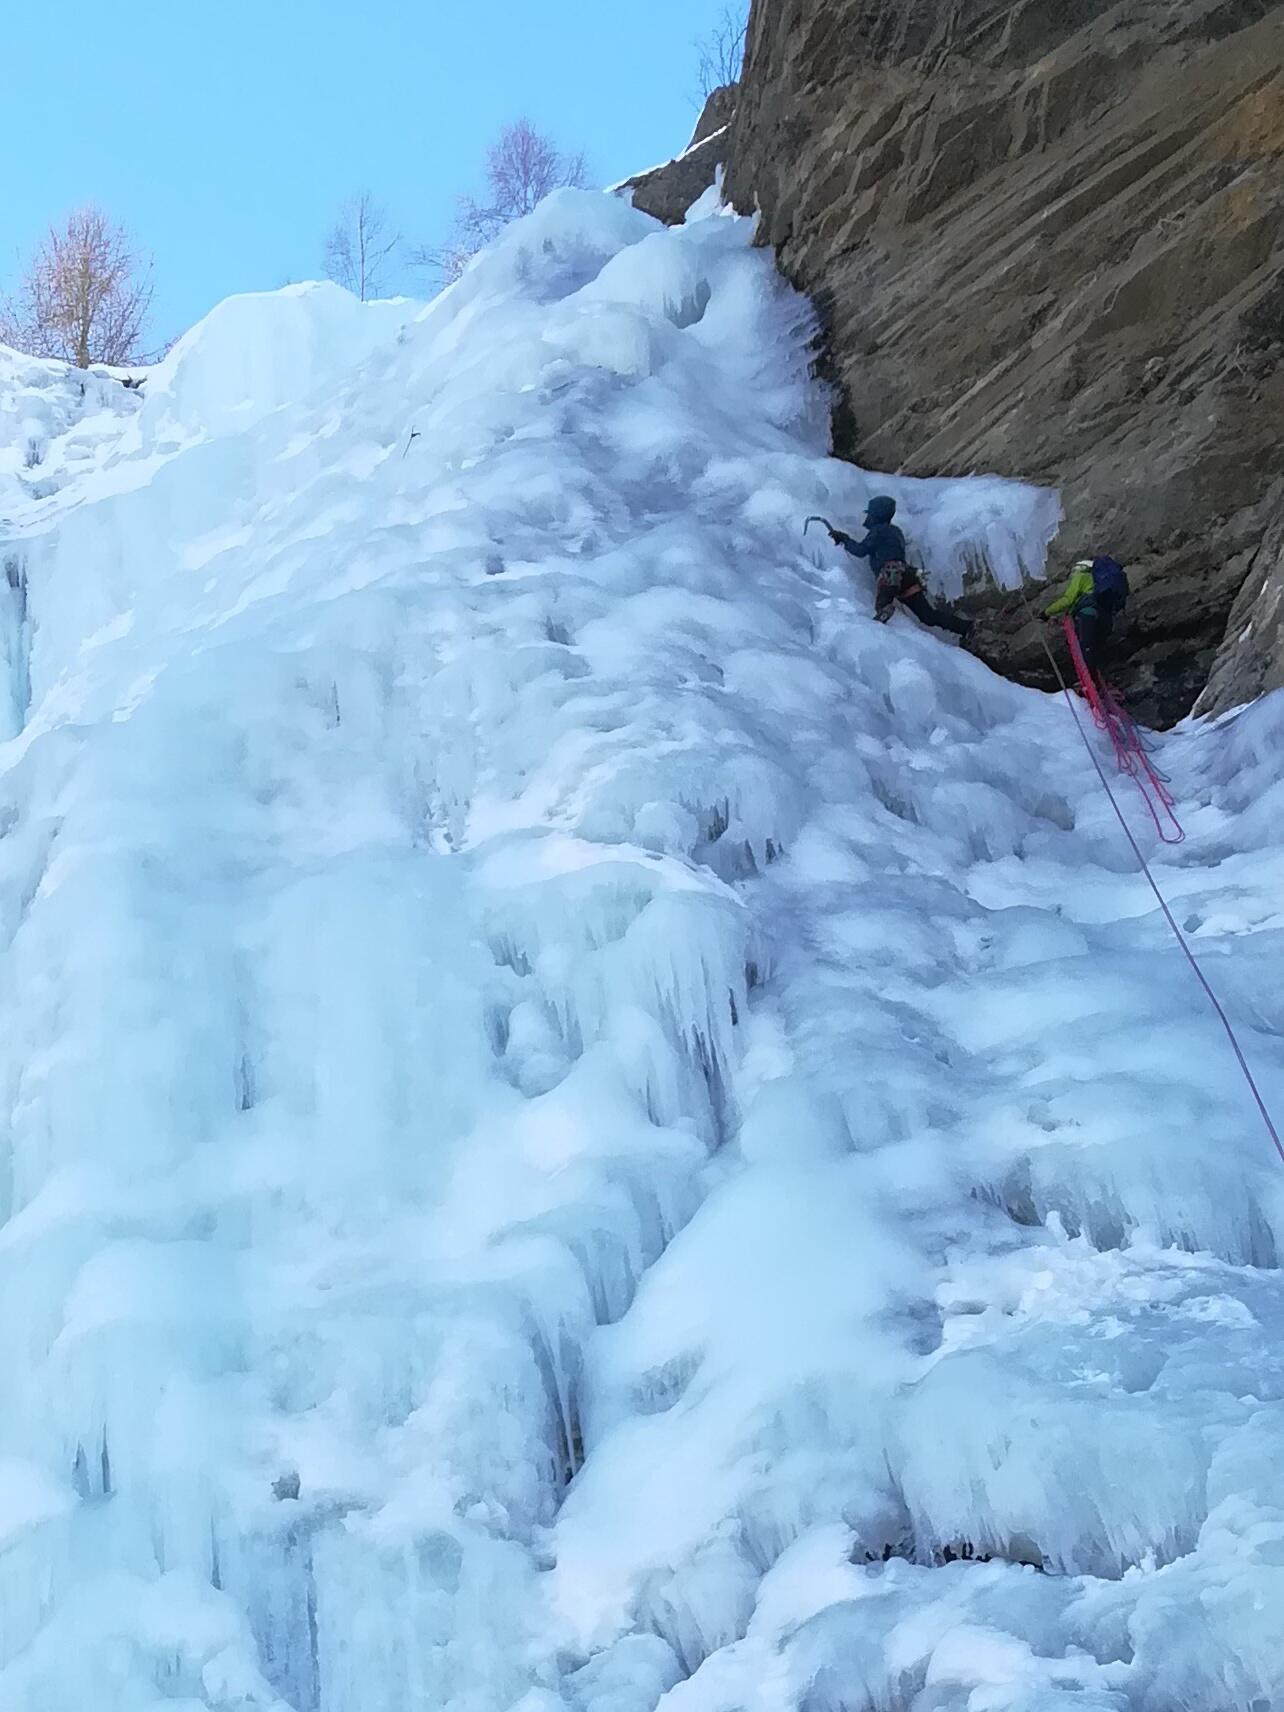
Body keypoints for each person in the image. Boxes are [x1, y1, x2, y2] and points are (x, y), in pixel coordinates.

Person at [826, 497, 973, 638]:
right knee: (928, 616)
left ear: (875, 515)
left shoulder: (878, 531)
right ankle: (965, 627)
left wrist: (844, 539)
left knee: (884, 601)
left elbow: (861, 550)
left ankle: (883, 614)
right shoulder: (896, 531)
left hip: (891, 574)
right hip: (907, 575)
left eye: (870, 514)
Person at [1044, 556, 1129, 673]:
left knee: (1085, 648)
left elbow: (1068, 600)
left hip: (1087, 615)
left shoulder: (1082, 576)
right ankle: (1098, 676)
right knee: (1096, 649)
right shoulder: (1101, 581)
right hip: (1106, 618)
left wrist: (1046, 612)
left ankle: (1089, 677)